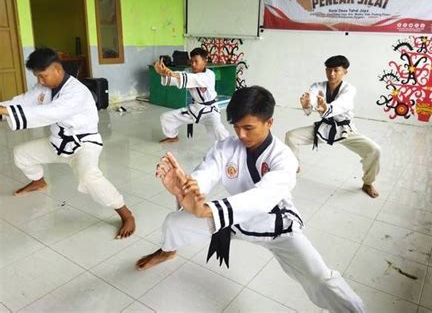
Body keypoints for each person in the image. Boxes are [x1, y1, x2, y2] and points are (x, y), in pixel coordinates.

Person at [136, 86, 365, 312]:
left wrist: (206, 210)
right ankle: (168, 250)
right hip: (234, 217)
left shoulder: (284, 158)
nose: (241, 135)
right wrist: (187, 187)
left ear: (269, 123)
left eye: (248, 127)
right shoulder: (226, 146)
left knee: (320, 279)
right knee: (173, 222)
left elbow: (262, 198)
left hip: (277, 225)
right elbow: (207, 171)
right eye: (236, 127)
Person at [0, 48, 135, 239]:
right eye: (37, 76)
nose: (40, 81)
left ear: (57, 69)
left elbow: (48, 113)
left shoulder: (76, 92)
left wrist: (4, 112)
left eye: (43, 76)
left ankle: (125, 213)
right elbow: (23, 101)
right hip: (58, 142)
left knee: (89, 177)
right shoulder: (44, 87)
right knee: (21, 153)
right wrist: (2, 108)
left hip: (83, 145)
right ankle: (39, 181)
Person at [285, 55, 381, 198]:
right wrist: (308, 105)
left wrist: (327, 107)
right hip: (324, 127)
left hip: (344, 130)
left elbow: (343, 104)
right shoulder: (318, 86)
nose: (332, 74)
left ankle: (368, 182)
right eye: (329, 70)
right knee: (291, 136)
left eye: (336, 70)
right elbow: (311, 97)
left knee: (374, 150)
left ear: (345, 72)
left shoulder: (349, 89)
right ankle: (294, 166)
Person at [154, 47, 229, 143]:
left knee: (218, 129)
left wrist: (172, 73)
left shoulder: (209, 75)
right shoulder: (189, 74)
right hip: (195, 109)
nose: (193, 64)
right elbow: (179, 77)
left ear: (205, 61)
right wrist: (163, 73)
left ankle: (229, 145)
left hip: (210, 110)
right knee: (166, 117)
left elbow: (193, 78)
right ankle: (172, 136)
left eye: (196, 61)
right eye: (191, 61)